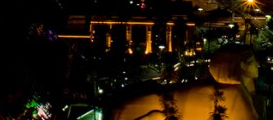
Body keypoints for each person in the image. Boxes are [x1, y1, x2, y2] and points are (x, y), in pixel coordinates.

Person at [109, 45, 260, 120]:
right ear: (239, 64)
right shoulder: (233, 94)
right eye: (252, 62)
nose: (257, 66)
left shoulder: (232, 91)